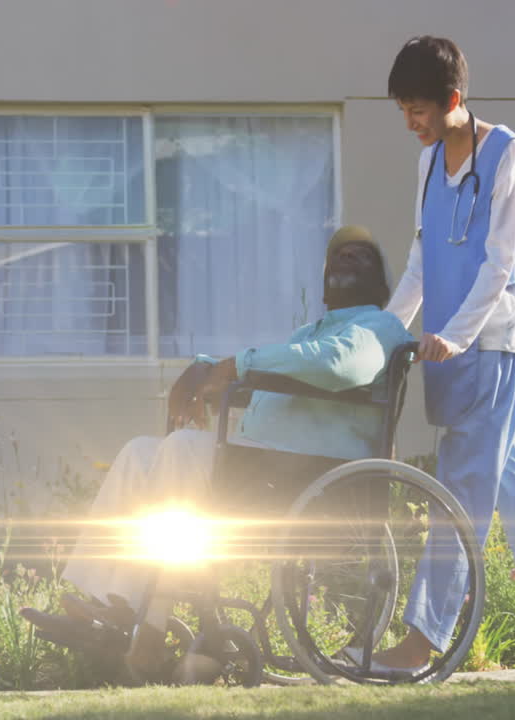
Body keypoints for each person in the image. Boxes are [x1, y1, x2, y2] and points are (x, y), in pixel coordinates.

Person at [21, 225, 415, 676]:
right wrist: (205, 369)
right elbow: (275, 375)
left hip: (315, 479)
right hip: (271, 468)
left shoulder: (378, 326)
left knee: (184, 450)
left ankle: (147, 617)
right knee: (140, 453)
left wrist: (237, 364)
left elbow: (342, 365)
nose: (347, 258)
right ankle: (104, 607)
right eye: (338, 255)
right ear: (324, 283)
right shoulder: (312, 331)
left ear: (382, 286)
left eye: (361, 255)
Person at [372, 35, 515, 681]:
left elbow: (500, 261)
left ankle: (421, 643)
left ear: (453, 99)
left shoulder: (506, 152)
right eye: (402, 110)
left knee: (459, 493)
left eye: (417, 108)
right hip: (453, 349)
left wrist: (460, 334)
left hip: (494, 344)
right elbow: (423, 260)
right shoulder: (427, 165)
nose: (409, 121)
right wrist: (385, 330)